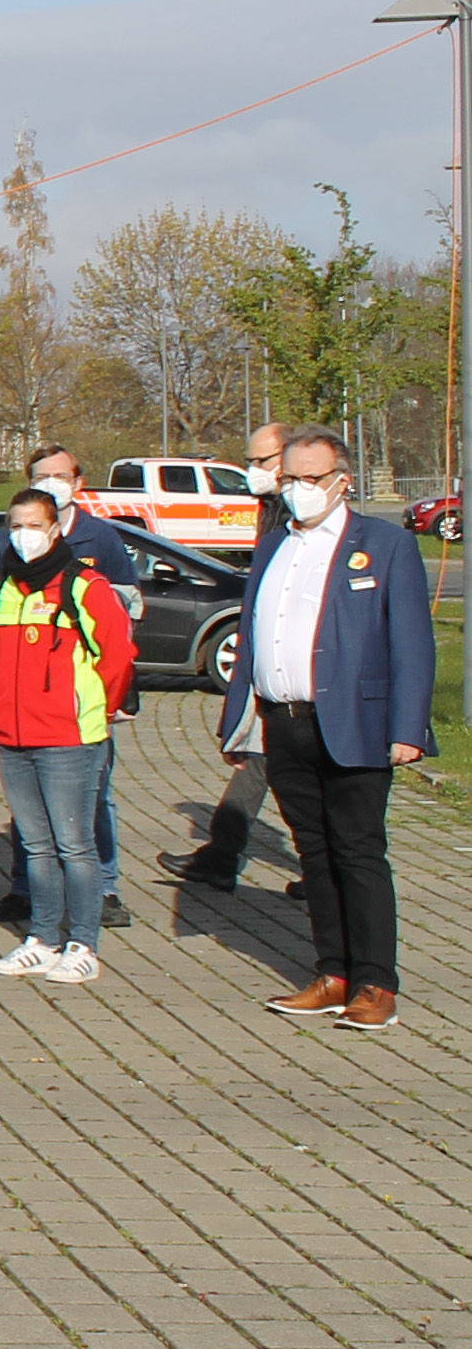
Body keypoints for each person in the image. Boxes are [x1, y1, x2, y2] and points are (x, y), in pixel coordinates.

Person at [230, 427, 438, 1030]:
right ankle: (333, 972)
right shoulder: (273, 546)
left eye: (311, 478)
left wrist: (408, 727)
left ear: (342, 481)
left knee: (358, 851)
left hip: (356, 723)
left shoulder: (383, 545)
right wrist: (239, 719)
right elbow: (255, 635)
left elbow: (412, 644)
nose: (298, 490)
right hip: (284, 720)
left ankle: (375, 983)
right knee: (314, 853)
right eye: (289, 478)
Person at [0, 484, 136, 987]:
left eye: (34, 526)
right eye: (15, 527)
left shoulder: (85, 587)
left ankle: (83, 944)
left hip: (70, 737)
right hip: (12, 735)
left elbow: (117, 657)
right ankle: (42, 939)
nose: (23, 536)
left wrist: (95, 711)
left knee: (74, 845)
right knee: (36, 845)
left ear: (56, 529)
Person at [164, 420, 298, 890]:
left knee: (279, 768)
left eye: (260, 461)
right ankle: (223, 856)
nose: (252, 471)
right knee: (260, 763)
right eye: (250, 461)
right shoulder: (271, 510)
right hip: (267, 665)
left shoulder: (294, 513)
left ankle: (323, 869)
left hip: (298, 673)